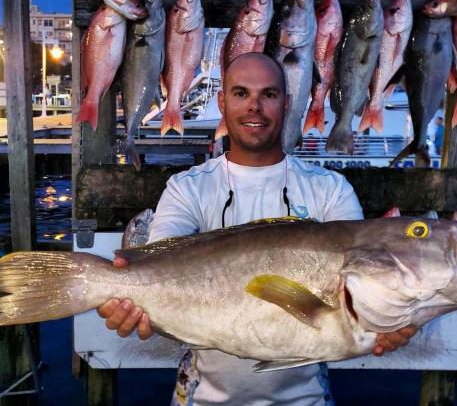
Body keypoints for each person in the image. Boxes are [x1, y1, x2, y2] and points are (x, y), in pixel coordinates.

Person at [98, 52, 416, 405]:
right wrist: (129, 294)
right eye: (240, 93)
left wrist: (392, 319)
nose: (254, 107)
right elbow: (161, 262)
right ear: (222, 102)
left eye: (268, 94)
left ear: (287, 102)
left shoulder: (330, 189)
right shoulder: (186, 188)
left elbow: (361, 283)